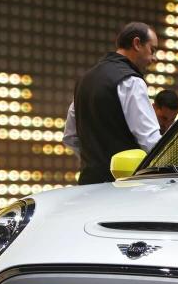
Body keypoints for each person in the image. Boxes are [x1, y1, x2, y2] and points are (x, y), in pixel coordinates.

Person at [62, 22, 162, 185]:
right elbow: (150, 140)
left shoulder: (84, 80)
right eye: (152, 50)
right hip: (122, 189)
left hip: (87, 186)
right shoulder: (131, 81)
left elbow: (70, 136)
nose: (154, 58)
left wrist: (95, 163)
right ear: (137, 44)